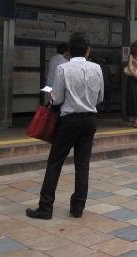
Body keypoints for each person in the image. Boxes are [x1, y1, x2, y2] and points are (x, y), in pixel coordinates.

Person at [26, 33, 103, 220]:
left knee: (55, 162)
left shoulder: (63, 68)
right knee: (82, 165)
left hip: (69, 121)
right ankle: (77, 208)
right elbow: (100, 98)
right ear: (88, 50)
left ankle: (45, 207)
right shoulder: (97, 68)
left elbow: (58, 98)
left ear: (69, 51)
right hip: (90, 120)